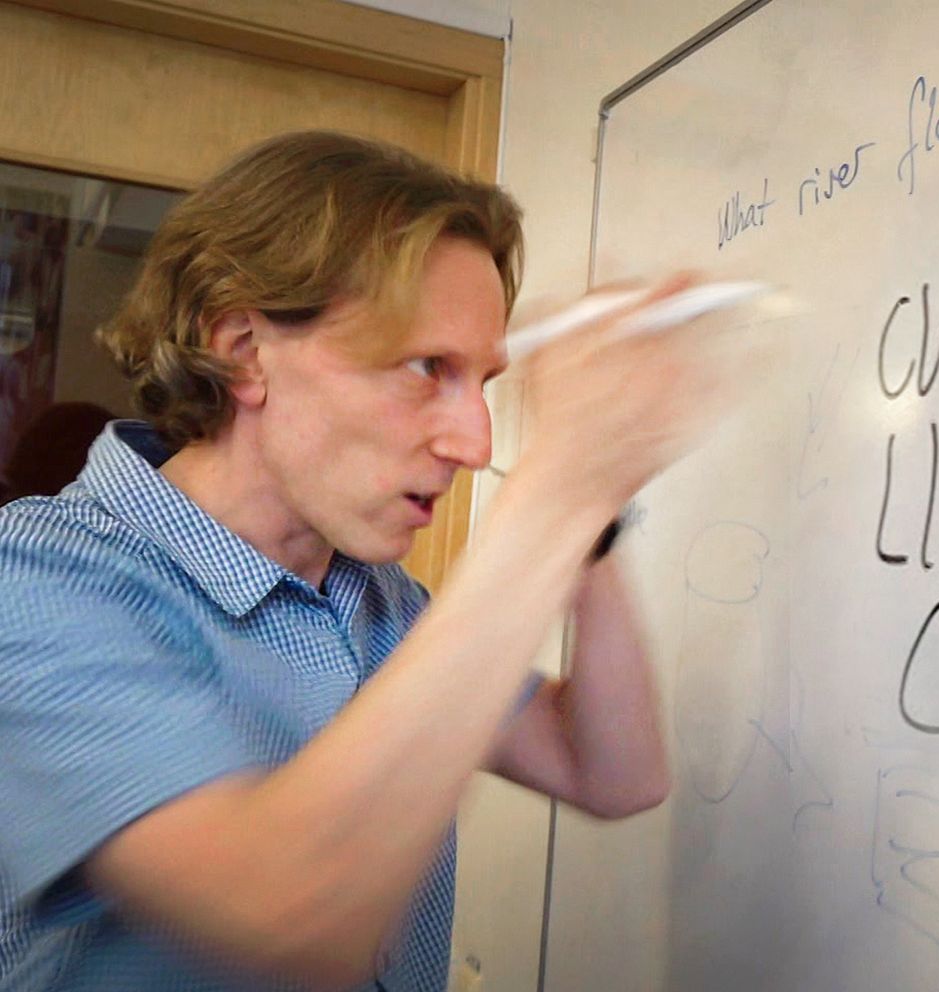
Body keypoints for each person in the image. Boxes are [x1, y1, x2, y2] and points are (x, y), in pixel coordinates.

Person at [0, 130, 721, 992]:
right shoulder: (38, 581)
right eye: (426, 367)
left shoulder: (380, 597)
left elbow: (612, 773)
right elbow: (286, 912)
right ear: (243, 350)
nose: (476, 443)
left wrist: (591, 510)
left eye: (484, 382)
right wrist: (559, 488)